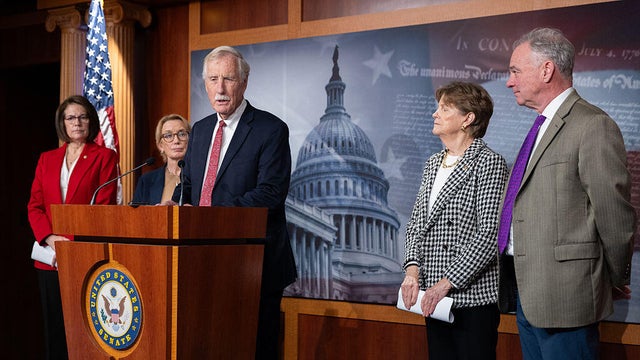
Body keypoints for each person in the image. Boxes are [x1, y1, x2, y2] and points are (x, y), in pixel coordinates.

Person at [499, 27, 635, 359]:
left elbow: (614, 214)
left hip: (566, 298)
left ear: (546, 70)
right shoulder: (540, 125)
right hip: (527, 293)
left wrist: (611, 278)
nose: (509, 81)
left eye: (515, 71)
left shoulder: (592, 125)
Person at [170, 45, 296, 359]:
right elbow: (188, 186)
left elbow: (270, 193)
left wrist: (210, 215)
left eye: (228, 79)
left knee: (252, 349)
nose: (221, 88)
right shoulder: (199, 130)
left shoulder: (271, 130)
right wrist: (176, 206)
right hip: (203, 262)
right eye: (213, 79)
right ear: (206, 85)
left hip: (253, 265)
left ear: (243, 83)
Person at [401, 81, 508, 360]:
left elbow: (489, 235)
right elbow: (415, 224)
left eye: (444, 108)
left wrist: (446, 283)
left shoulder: (489, 163)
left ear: (467, 119)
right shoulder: (432, 163)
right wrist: (412, 272)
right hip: (433, 299)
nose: (435, 114)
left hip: (470, 299)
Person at [27, 95, 119, 359]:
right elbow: (35, 206)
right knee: (54, 331)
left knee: (82, 333)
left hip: (82, 255)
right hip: (49, 258)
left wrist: (69, 242)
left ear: (91, 120)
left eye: (83, 117)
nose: (77, 123)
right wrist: (50, 238)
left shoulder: (104, 157)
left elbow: (103, 206)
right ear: (62, 123)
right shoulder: (47, 158)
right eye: (70, 118)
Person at [132, 114, 190, 204]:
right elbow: (136, 216)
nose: (176, 141)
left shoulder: (200, 178)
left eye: (182, 134)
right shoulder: (146, 181)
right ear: (160, 146)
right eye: (168, 136)